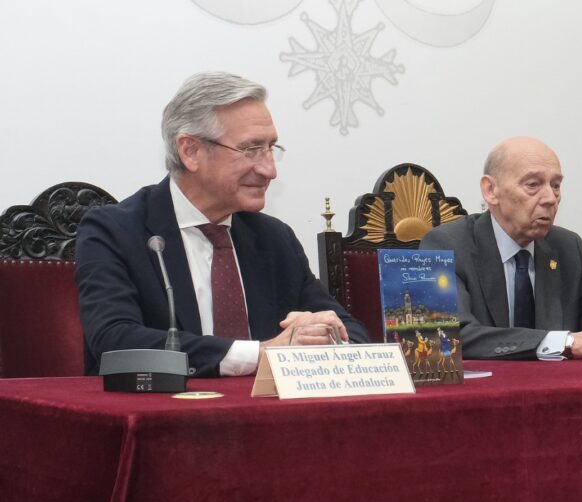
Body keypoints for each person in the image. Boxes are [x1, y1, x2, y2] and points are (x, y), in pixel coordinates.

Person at [76, 72, 368, 377]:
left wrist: (325, 335)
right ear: (190, 151)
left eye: (271, 148)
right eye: (251, 149)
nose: (269, 169)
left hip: (265, 420)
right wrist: (260, 354)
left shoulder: (273, 239)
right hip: (165, 417)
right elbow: (115, 341)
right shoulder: (115, 232)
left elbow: (351, 331)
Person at [419, 136, 582, 360]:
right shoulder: (447, 245)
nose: (550, 198)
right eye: (533, 185)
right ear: (491, 190)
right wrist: (567, 342)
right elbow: (451, 334)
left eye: (556, 185)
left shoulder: (566, 247)